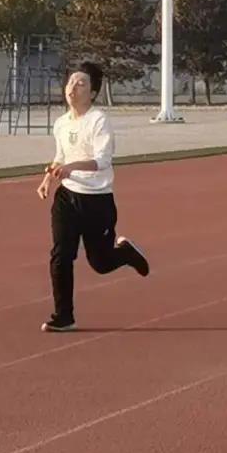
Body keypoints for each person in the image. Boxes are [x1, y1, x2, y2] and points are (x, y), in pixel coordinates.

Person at [37, 62, 149, 332]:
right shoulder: (61, 123)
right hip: (67, 198)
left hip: (97, 200)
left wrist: (71, 167)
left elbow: (102, 161)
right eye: (71, 82)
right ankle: (64, 316)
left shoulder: (99, 120)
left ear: (93, 93)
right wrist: (48, 178)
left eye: (81, 83)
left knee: (100, 263)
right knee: (61, 255)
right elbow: (61, 156)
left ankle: (126, 253)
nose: (73, 88)